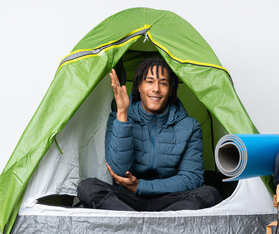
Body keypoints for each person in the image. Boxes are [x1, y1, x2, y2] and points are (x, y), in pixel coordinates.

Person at [77, 57, 221, 211]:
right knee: (88, 188)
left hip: (170, 199)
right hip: (128, 200)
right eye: (150, 81)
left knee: (209, 193)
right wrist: (123, 113)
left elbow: (191, 178)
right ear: (139, 86)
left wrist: (141, 186)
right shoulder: (118, 118)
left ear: (171, 89)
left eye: (163, 83)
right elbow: (118, 170)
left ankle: (136, 225)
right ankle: (152, 225)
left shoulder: (190, 126)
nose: (156, 89)